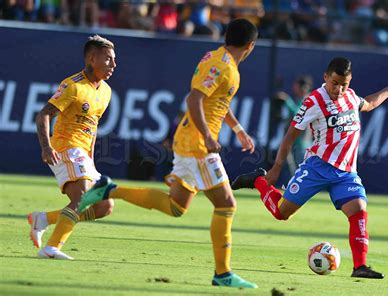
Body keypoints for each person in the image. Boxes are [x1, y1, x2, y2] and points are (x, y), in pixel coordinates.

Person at [79, 18, 258, 289]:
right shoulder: (222, 65)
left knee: (176, 207)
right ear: (251, 45)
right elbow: (194, 99)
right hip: (197, 144)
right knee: (226, 204)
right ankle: (223, 273)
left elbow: (218, 101)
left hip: (191, 140)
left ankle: (109, 190)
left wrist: (237, 129)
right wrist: (209, 136)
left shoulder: (221, 61)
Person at [231, 57, 388, 279]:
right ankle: (257, 180)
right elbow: (290, 136)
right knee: (281, 212)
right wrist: (276, 168)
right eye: (335, 82)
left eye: (344, 83)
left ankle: (360, 267)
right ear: (326, 77)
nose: (339, 88)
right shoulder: (313, 101)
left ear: (350, 80)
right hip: (317, 168)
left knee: (359, 210)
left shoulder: (351, 97)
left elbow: (370, 103)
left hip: (345, 173)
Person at [29, 35, 117, 260]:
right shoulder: (72, 85)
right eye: (108, 59)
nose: (113, 65)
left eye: (114, 60)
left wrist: (91, 159)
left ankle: (44, 219)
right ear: (91, 58)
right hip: (65, 148)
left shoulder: (105, 91)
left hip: (83, 154)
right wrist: (46, 146)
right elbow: (43, 115)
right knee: (83, 198)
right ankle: (51, 248)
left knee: (105, 206)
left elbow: (93, 128)